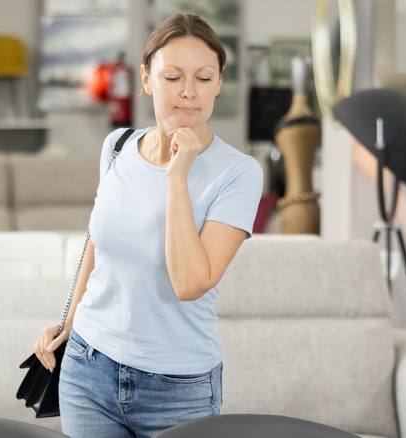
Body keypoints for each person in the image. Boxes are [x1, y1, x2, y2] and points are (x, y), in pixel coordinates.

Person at [33, 13, 263, 438]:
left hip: (178, 390)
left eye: (204, 77)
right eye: (173, 76)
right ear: (147, 79)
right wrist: (70, 321)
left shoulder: (238, 173)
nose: (189, 92)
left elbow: (190, 283)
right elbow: (97, 244)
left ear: (219, 83)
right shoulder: (117, 146)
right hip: (88, 369)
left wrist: (178, 175)